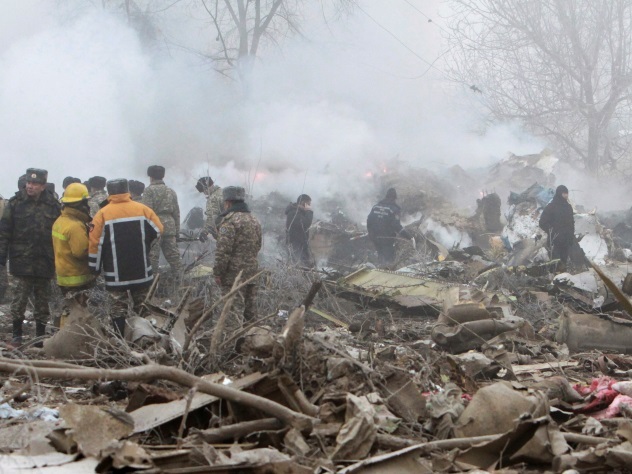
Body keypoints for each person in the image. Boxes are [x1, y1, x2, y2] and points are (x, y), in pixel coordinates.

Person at [89, 179, 163, 336]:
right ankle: (144, 339)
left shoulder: (102, 214)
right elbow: (158, 229)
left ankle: (120, 342)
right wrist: (144, 243)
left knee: (118, 309)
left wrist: (94, 268)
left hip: (116, 275)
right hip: (141, 270)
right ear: (127, 191)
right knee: (142, 307)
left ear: (109, 193)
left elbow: (95, 244)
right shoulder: (143, 210)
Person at [0, 169, 61, 344]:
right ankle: (17, 334)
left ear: (43, 186)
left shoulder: (53, 205)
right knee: (18, 301)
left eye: (34, 183)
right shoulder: (15, 204)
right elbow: (4, 232)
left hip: (45, 260)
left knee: (42, 302)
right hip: (21, 261)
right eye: (28, 182)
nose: (30, 186)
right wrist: (2, 256)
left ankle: (40, 336)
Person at [213, 186, 262, 322]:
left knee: (232, 317)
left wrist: (218, 273)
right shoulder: (254, 220)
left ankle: (231, 343)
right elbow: (258, 246)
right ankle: (253, 341)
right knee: (250, 317)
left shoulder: (230, 222)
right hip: (252, 274)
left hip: (233, 277)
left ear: (228, 202)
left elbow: (223, 252)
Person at [52, 183, 94, 325]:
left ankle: (62, 331)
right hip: (77, 276)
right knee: (79, 310)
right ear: (81, 204)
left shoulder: (60, 221)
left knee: (68, 307)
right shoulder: (75, 226)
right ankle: (75, 337)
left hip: (63, 274)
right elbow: (81, 252)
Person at [142, 166, 182, 276]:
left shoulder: (148, 191)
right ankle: (181, 280)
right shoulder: (171, 191)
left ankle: (153, 284)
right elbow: (176, 213)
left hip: (154, 227)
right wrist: (177, 232)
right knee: (174, 257)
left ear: (151, 177)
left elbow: (146, 212)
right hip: (170, 226)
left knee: (153, 258)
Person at [367, 188, 411, 266]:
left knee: (380, 256)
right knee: (389, 260)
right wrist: (408, 236)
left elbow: (369, 221)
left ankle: (379, 269)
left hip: (375, 237)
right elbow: (396, 226)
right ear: (394, 198)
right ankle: (386, 271)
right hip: (387, 238)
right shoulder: (394, 209)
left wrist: (371, 234)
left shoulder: (375, 207)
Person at [539, 184, 575, 269]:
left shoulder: (568, 207)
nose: (566, 195)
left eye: (567, 193)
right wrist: (552, 232)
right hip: (555, 241)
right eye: (564, 193)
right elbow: (542, 222)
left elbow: (571, 223)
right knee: (555, 265)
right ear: (559, 193)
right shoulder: (551, 207)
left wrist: (571, 236)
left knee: (563, 263)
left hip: (566, 241)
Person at [285, 194, 313, 266]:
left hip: (301, 245)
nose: (309, 206)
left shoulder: (298, 213)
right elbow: (306, 223)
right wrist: (309, 211)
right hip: (296, 246)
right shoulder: (294, 213)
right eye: (308, 204)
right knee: (300, 266)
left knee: (306, 266)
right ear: (303, 203)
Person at [196, 177, 223, 241]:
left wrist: (204, 232)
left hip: (223, 231)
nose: (204, 193)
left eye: (203, 191)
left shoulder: (213, 198)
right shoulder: (222, 192)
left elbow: (212, 217)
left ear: (206, 188)